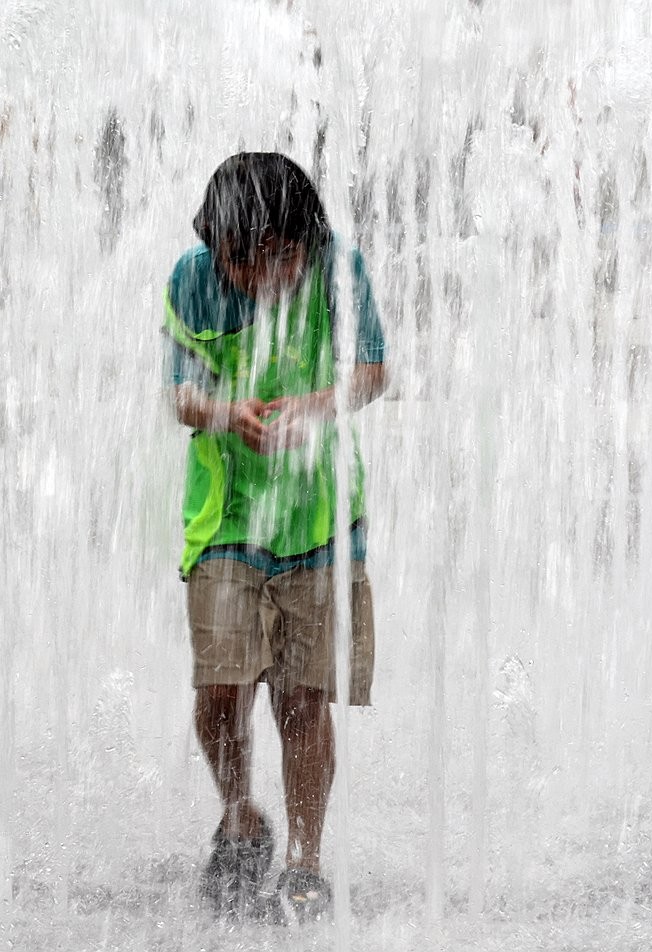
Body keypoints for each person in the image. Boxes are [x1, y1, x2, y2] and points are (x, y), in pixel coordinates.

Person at [162, 152, 387, 921]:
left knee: (302, 698)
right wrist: (227, 413)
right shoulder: (192, 280)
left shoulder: (338, 268)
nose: (267, 277)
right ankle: (239, 816)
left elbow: (372, 370)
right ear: (218, 248)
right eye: (245, 262)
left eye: (283, 258)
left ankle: (305, 861)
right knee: (218, 688)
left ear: (306, 242)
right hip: (225, 520)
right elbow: (178, 394)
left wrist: (318, 405)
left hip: (318, 525)